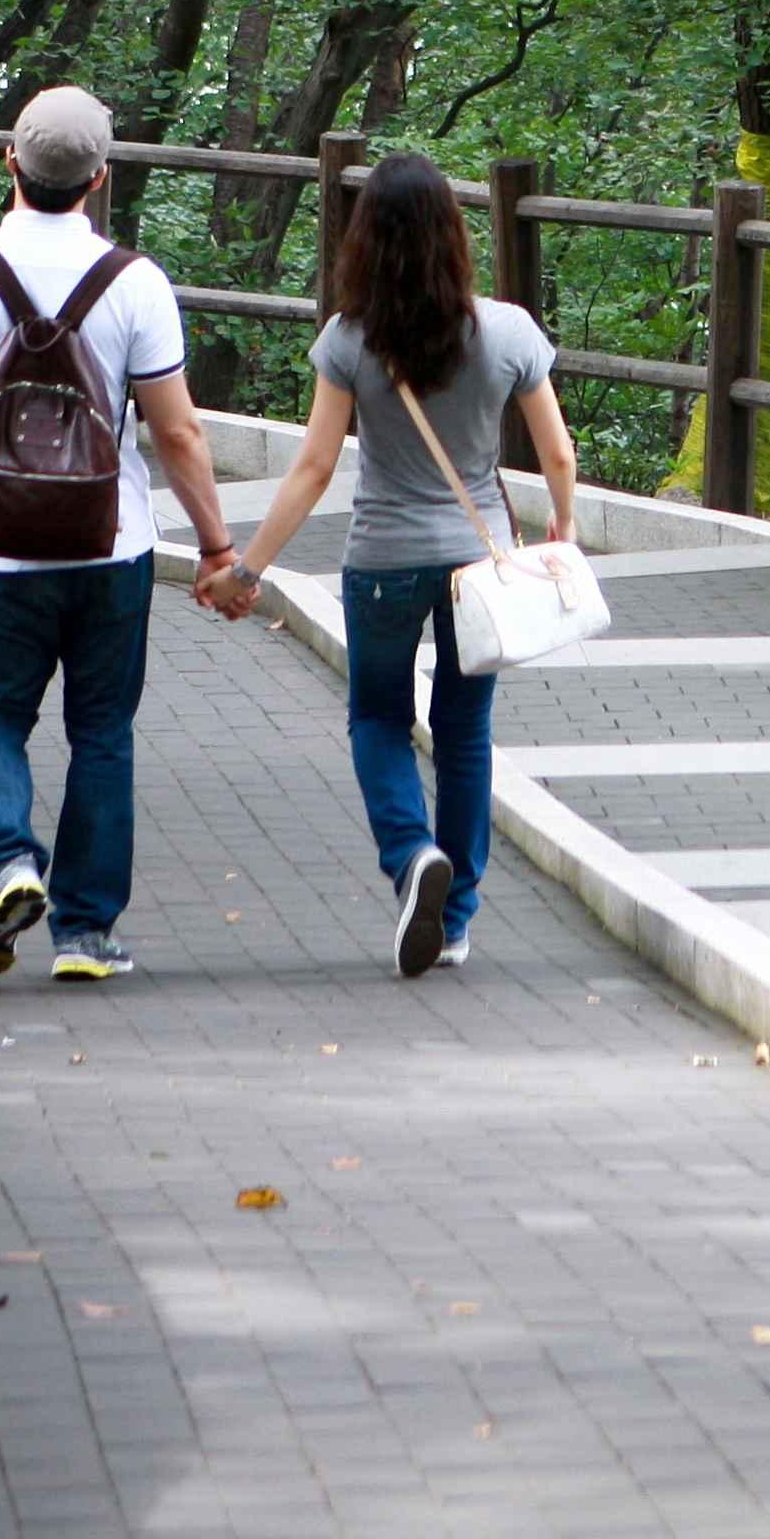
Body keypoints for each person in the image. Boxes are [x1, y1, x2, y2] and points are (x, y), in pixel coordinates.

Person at [0, 85, 234, 985]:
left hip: (2, 556)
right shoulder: (136, 282)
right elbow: (178, 432)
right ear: (99, 177)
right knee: (102, 732)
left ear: (11, 162)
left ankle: (7, 859)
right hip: (110, 547)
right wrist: (218, 548)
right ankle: (84, 934)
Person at [201, 151, 574, 978]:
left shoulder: (349, 339)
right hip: (479, 569)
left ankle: (412, 857)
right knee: (464, 731)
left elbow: (314, 468)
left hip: (380, 563)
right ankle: (458, 917)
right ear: (453, 233)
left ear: (365, 241)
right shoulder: (507, 331)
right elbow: (557, 453)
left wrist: (249, 569)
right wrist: (564, 533)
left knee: (377, 719)